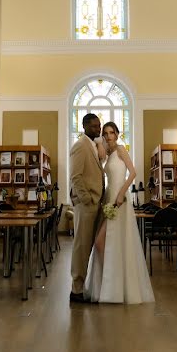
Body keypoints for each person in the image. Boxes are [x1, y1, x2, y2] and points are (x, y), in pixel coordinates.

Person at [84, 122, 155, 304]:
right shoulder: (107, 153)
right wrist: (100, 143)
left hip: (119, 199)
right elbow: (99, 157)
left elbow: (133, 173)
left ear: (117, 134)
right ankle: (111, 283)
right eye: (105, 133)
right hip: (109, 198)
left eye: (111, 133)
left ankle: (113, 281)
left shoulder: (122, 150)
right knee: (106, 243)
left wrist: (122, 194)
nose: (108, 136)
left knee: (101, 242)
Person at [69, 113, 104, 303]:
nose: (97, 129)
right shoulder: (80, 146)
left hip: (96, 203)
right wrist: (87, 199)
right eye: (93, 126)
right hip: (87, 205)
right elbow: (76, 176)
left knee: (90, 247)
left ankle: (85, 286)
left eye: (99, 126)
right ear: (84, 126)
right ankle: (76, 290)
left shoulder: (93, 145)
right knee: (81, 247)